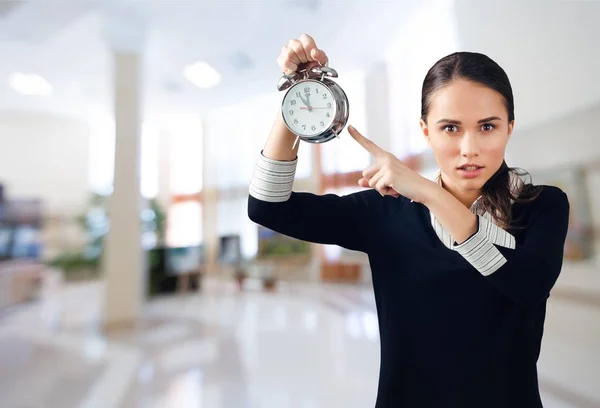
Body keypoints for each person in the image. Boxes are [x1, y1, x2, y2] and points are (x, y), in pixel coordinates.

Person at [247, 33, 570, 408]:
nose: (470, 149)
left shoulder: (542, 205)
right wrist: (298, 95)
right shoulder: (386, 214)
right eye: (451, 128)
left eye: (487, 126)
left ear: (509, 128)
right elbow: (267, 207)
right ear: (425, 131)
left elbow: (526, 285)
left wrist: (429, 194)